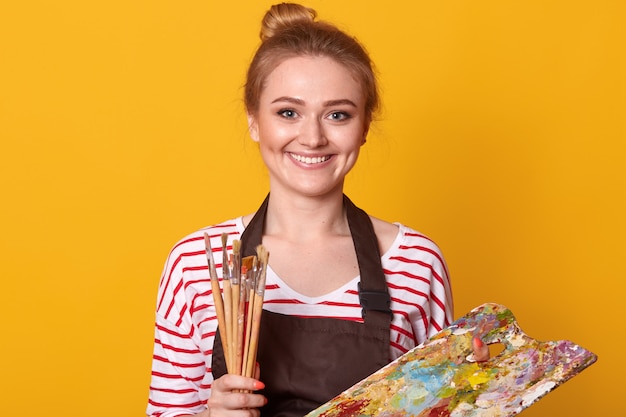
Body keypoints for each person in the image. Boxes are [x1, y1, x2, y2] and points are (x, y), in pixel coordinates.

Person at [147, 3, 488, 417]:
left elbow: (438, 408)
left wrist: (476, 394)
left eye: (337, 114)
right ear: (254, 120)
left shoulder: (416, 263)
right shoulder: (199, 264)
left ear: (363, 127)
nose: (312, 137)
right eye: (288, 112)